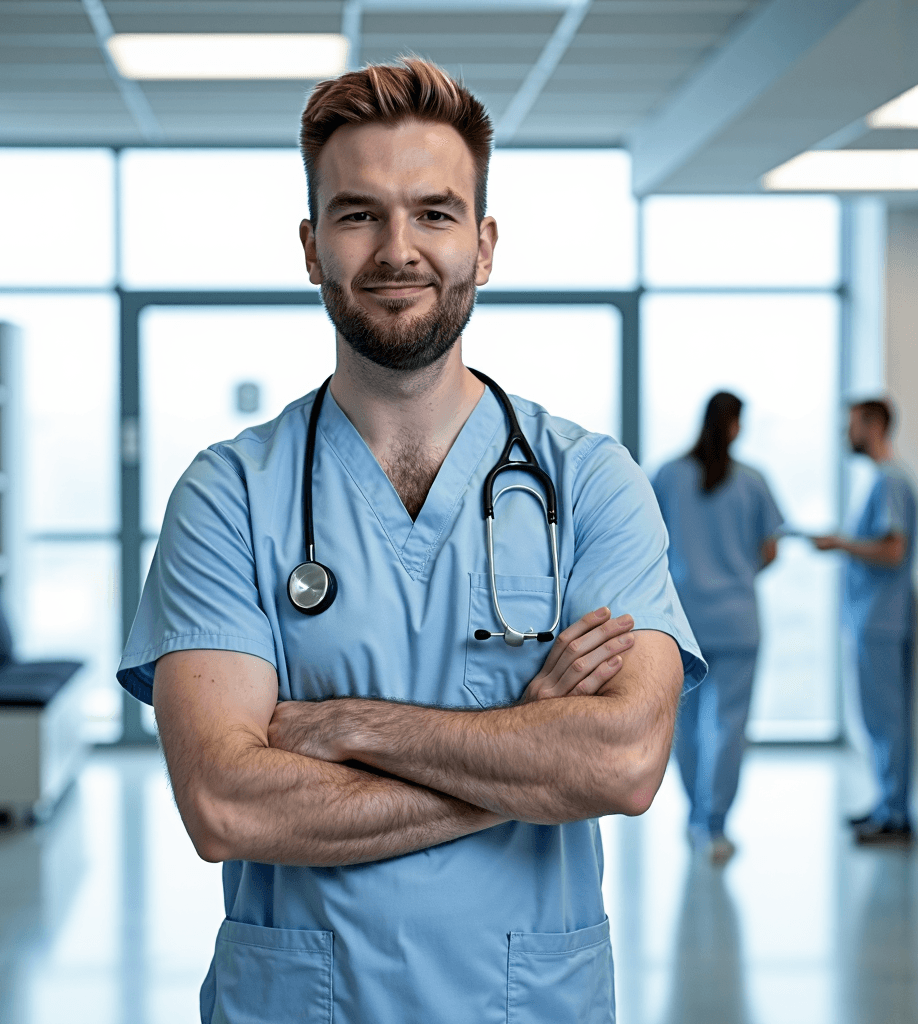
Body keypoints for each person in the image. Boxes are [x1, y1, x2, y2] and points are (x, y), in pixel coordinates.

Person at [118, 57, 705, 1023]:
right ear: (312, 248)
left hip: (527, 1002)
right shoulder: (228, 495)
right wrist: (526, 757)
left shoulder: (592, 483)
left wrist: (348, 726)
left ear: (485, 243)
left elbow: (623, 763)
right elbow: (227, 805)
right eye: (359, 214)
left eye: (435, 213)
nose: (399, 249)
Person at [652, 392, 783, 864]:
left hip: (682, 622)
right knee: (728, 727)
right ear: (734, 427)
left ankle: (694, 816)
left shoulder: (668, 475)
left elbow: (648, 541)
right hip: (737, 621)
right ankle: (715, 823)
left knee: (684, 725)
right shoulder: (752, 482)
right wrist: (738, 571)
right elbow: (770, 549)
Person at [813, 398, 916, 845]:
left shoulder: (890, 481)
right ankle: (885, 806)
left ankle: (894, 816)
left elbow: (893, 551)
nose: (846, 433)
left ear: (874, 425)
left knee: (886, 720)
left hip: (882, 620)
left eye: (852, 425)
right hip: (875, 618)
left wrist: (842, 544)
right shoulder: (882, 480)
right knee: (879, 719)